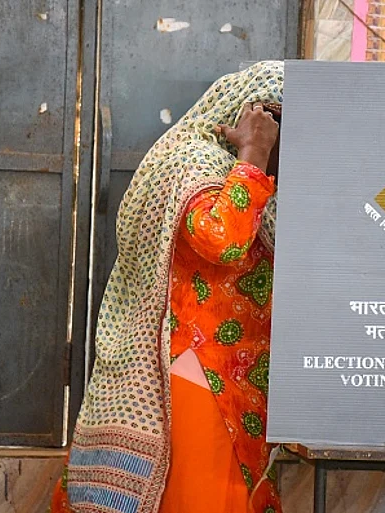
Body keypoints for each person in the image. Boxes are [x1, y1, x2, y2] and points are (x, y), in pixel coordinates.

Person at [50, 61, 284, 513]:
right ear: (254, 118)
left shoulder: (254, 179)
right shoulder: (192, 161)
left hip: (239, 382)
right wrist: (254, 156)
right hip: (196, 375)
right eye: (277, 134)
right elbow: (223, 239)